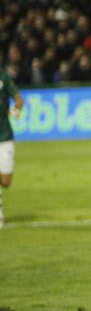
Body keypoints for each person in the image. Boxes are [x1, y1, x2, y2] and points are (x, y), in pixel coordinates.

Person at [0, 67, 24, 228]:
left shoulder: (4, 79)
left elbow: (19, 100)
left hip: (4, 136)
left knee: (6, 182)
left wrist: (15, 110)